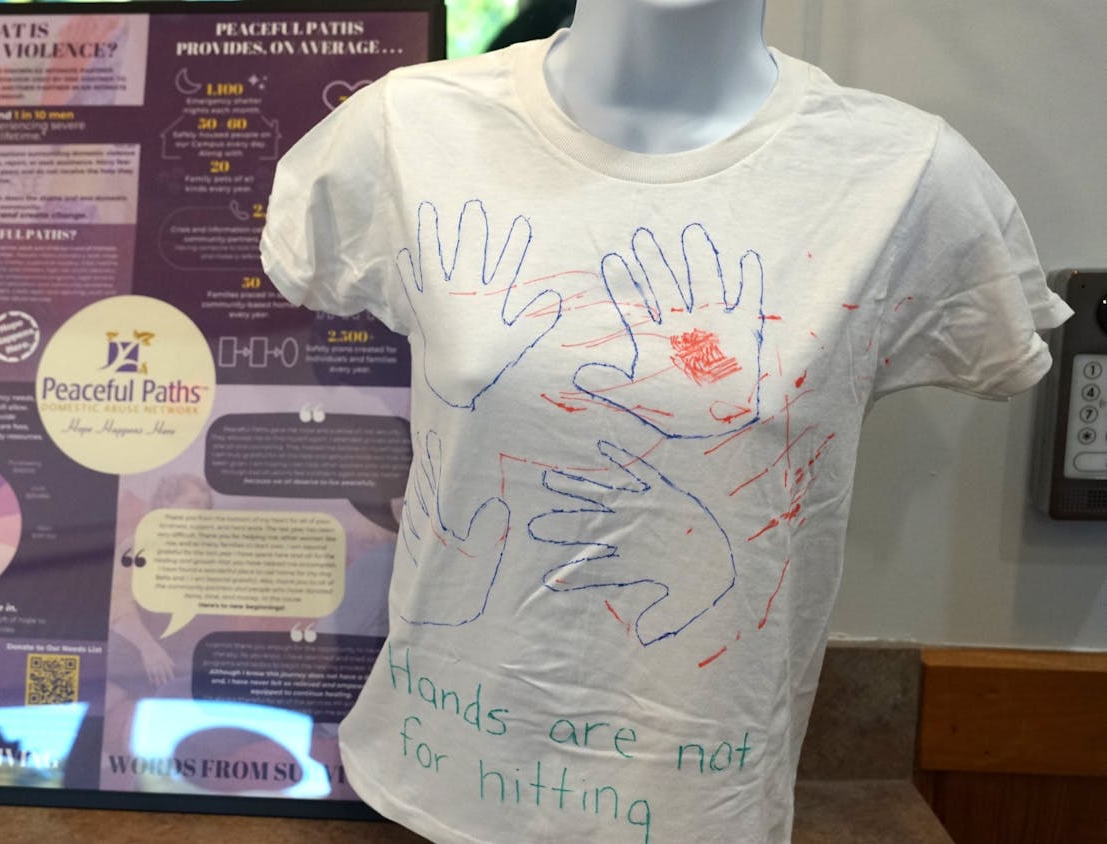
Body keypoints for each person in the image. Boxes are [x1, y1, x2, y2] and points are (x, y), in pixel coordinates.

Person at [259, 1, 1071, 841]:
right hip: (436, 780)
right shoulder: (408, 127)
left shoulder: (905, 174)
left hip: (698, 804)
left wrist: (720, 436)